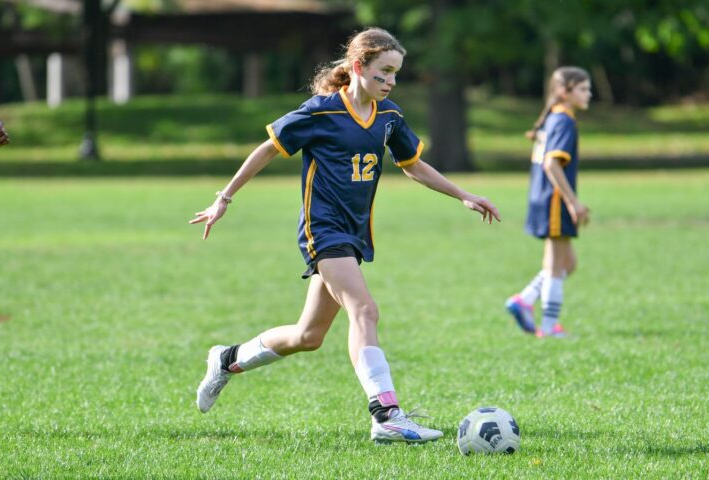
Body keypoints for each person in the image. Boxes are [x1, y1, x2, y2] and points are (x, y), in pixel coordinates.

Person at [190, 27, 501, 443]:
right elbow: (267, 148)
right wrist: (224, 197)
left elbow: (412, 164)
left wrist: (462, 194)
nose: (390, 81)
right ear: (358, 67)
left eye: (395, 74)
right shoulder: (321, 112)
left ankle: (227, 359)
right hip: (323, 230)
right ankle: (386, 413)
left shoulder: (389, 117)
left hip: (354, 234)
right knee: (365, 310)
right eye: (384, 72)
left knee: (308, 336)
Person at [505, 67, 592, 338]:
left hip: (543, 199)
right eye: (583, 89)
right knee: (556, 265)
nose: (589, 94)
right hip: (554, 200)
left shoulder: (556, 117)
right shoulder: (563, 120)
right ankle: (549, 326)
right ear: (564, 92)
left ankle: (524, 301)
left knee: (568, 263)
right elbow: (552, 165)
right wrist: (573, 201)